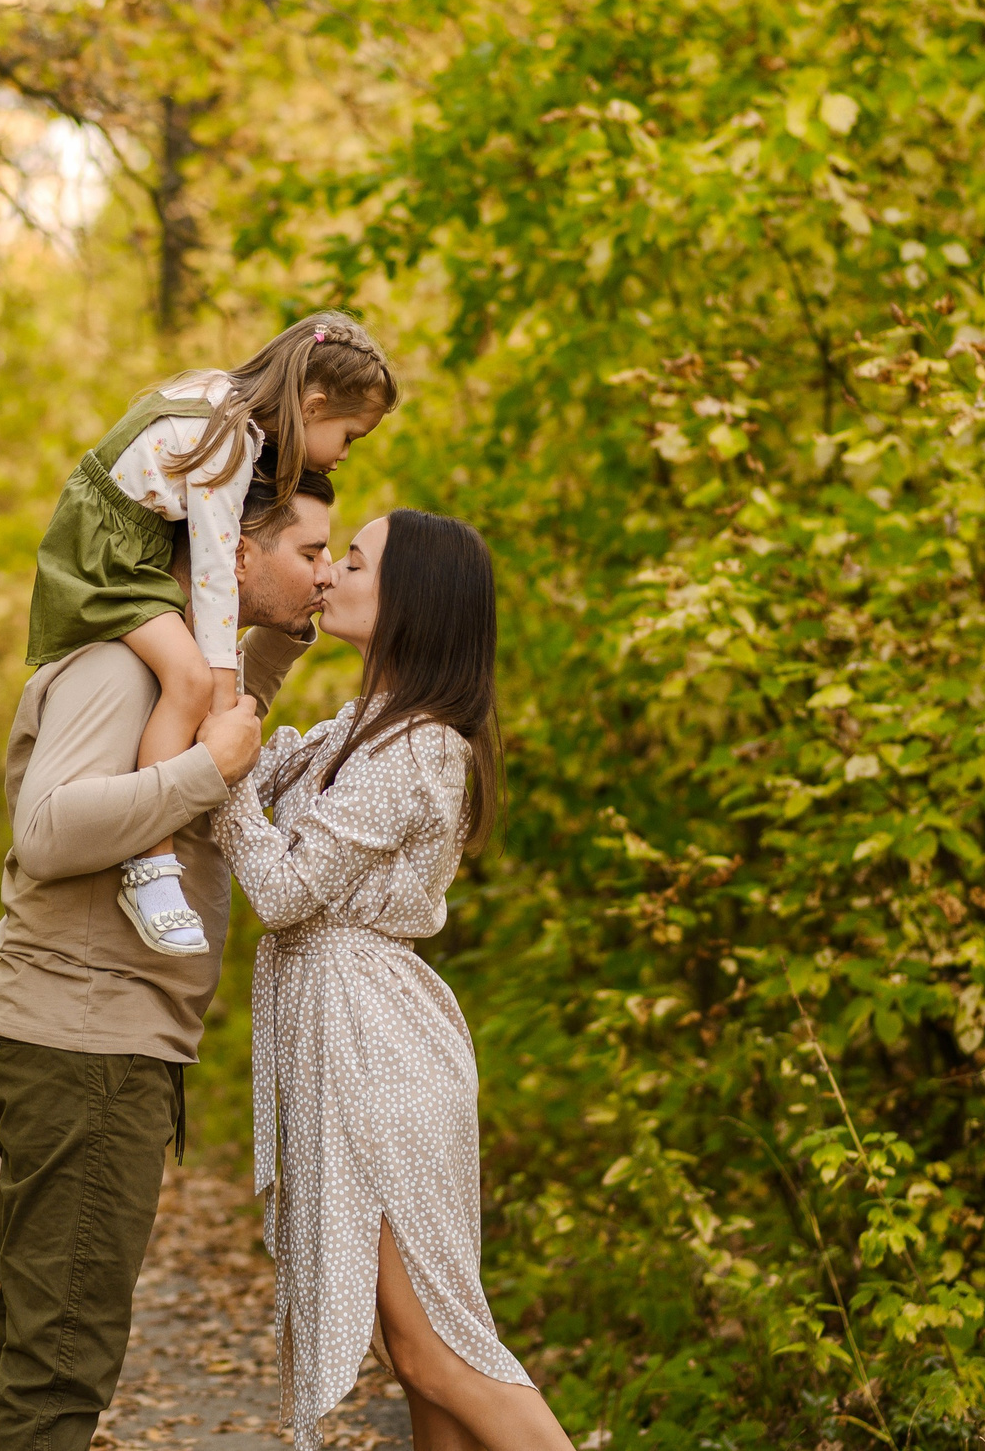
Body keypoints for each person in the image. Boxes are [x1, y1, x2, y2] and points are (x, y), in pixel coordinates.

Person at [0, 468, 339, 1451]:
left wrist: (279, 643)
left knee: (50, 1341)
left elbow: (219, 728)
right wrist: (201, 771)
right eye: (309, 553)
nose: (325, 573)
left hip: (95, 1039)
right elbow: (49, 830)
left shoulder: (181, 671)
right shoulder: (119, 668)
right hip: (83, 1041)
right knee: (61, 1364)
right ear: (233, 554)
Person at [215, 511, 580, 1451]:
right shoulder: (360, 730)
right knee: (418, 1361)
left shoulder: (418, 746)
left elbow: (285, 888)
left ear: (409, 599)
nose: (330, 572)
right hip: (353, 1037)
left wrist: (218, 779)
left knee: (438, 1352)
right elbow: (250, 768)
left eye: (353, 560)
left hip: (378, 1050)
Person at [24, 313, 395, 958]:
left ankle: (155, 860)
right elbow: (217, 578)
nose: (342, 454)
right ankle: (151, 867)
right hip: (110, 560)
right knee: (194, 680)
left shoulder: (223, 404)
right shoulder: (229, 446)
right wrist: (220, 691)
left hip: (114, 546)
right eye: (349, 437)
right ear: (310, 405)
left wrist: (261, 659)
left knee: (198, 683)